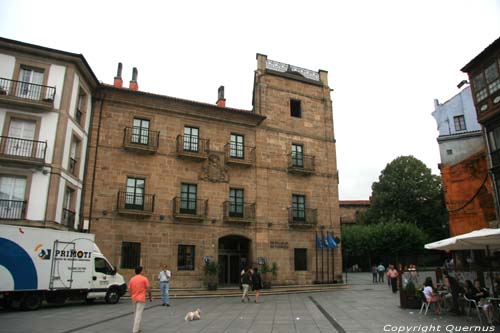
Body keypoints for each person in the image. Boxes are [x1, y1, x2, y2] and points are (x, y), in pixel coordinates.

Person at [128, 266, 152, 333]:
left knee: (136, 313)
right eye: (143, 270)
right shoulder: (144, 279)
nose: (143, 271)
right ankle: (135, 330)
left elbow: (129, 289)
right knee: (138, 314)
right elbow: (149, 289)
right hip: (141, 298)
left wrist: (131, 295)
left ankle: (138, 328)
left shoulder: (132, 279)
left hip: (134, 298)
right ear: (141, 271)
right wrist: (150, 297)